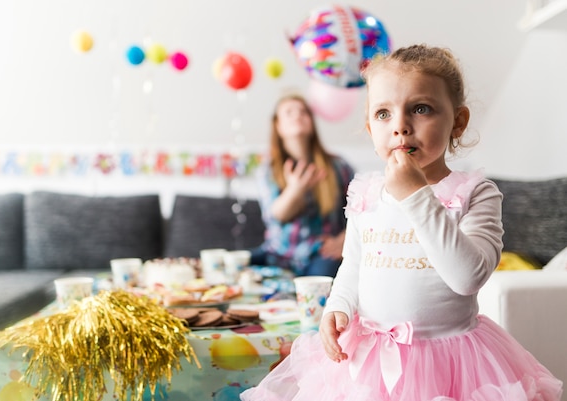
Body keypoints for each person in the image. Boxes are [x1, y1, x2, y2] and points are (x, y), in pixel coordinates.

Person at [240, 44, 563, 400]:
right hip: (368, 360)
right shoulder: (366, 191)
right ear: (369, 127)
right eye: (383, 114)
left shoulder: (475, 192)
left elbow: (467, 277)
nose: (400, 127)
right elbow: (355, 264)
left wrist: (416, 196)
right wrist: (338, 306)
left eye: (420, 109)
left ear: (458, 121)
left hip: (449, 362)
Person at [249, 93, 355, 277]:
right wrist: (295, 190)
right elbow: (275, 215)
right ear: (278, 126)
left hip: (320, 253)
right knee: (235, 265)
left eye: (304, 112)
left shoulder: (339, 167)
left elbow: (361, 214)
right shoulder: (268, 169)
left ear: (312, 123)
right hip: (277, 253)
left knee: (323, 278)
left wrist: (344, 240)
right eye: (289, 112)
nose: (297, 116)